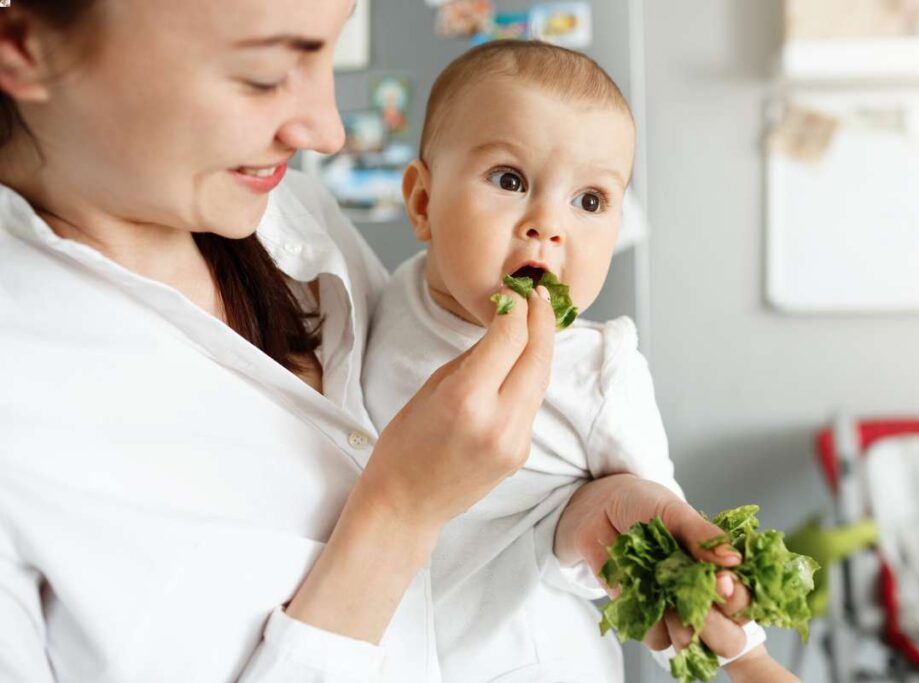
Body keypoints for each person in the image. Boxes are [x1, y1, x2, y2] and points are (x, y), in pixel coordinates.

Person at [0, 1, 797, 681]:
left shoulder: (298, 224)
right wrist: (399, 508)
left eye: (331, 50)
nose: (328, 130)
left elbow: (487, 545)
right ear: (27, 48)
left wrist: (581, 518)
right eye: (265, 72)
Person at [362, 40, 787, 683]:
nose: (547, 225)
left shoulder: (599, 371)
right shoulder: (383, 299)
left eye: (589, 201)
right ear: (422, 203)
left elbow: (666, 534)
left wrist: (748, 660)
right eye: (510, 180)